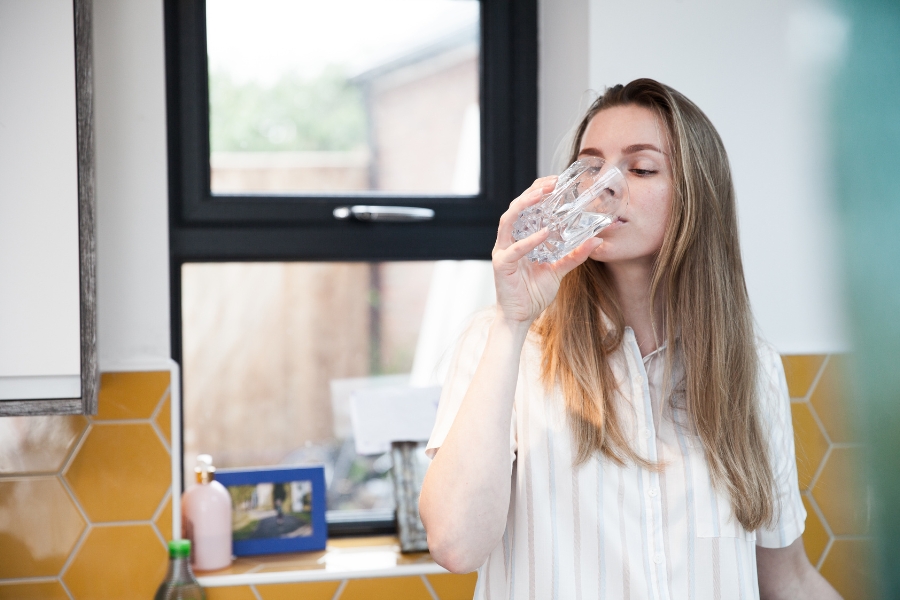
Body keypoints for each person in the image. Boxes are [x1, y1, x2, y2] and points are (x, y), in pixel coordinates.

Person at [418, 79, 841, 599]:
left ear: (696, 197)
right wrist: (512, 324)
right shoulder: (505, 342)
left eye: (641, 169)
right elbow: (455, 545)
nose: (607, 184)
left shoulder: (751, 369)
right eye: (591, 168)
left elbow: (788, 580)